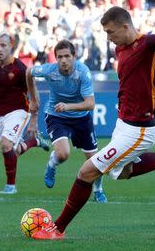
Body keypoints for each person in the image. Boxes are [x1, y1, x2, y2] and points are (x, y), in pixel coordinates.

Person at [32, 0, 155, 240]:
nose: (108, 38)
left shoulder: (149, 44)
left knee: (86, 172)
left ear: (125, 26)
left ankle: (57, 229)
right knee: (121, 172)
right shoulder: (120, 48)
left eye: (110, 32)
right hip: (124, 124)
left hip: (140, 129)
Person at [26, 39, 108, 203]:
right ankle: (52, 164)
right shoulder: (49, 70)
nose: (63, 60)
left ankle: (98, 190)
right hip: (56, 116)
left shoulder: (82, 72)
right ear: (55, 58)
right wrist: (33, 99)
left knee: (95, 160)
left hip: (81, 117)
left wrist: (68, 106)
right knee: (63, 154)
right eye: (59, 57)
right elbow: (29, 72)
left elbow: (90, 104)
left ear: (74, 56)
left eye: (67, 56)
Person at [0, 33, 50, 195]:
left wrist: (34, 120)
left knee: (5, 145)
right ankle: (34, 142)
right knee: (14, 150)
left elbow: (34, 95)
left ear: (11, 46)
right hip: (0, 113)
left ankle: (10, 186)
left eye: (3, 45)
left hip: (20, 111)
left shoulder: (20, 69)